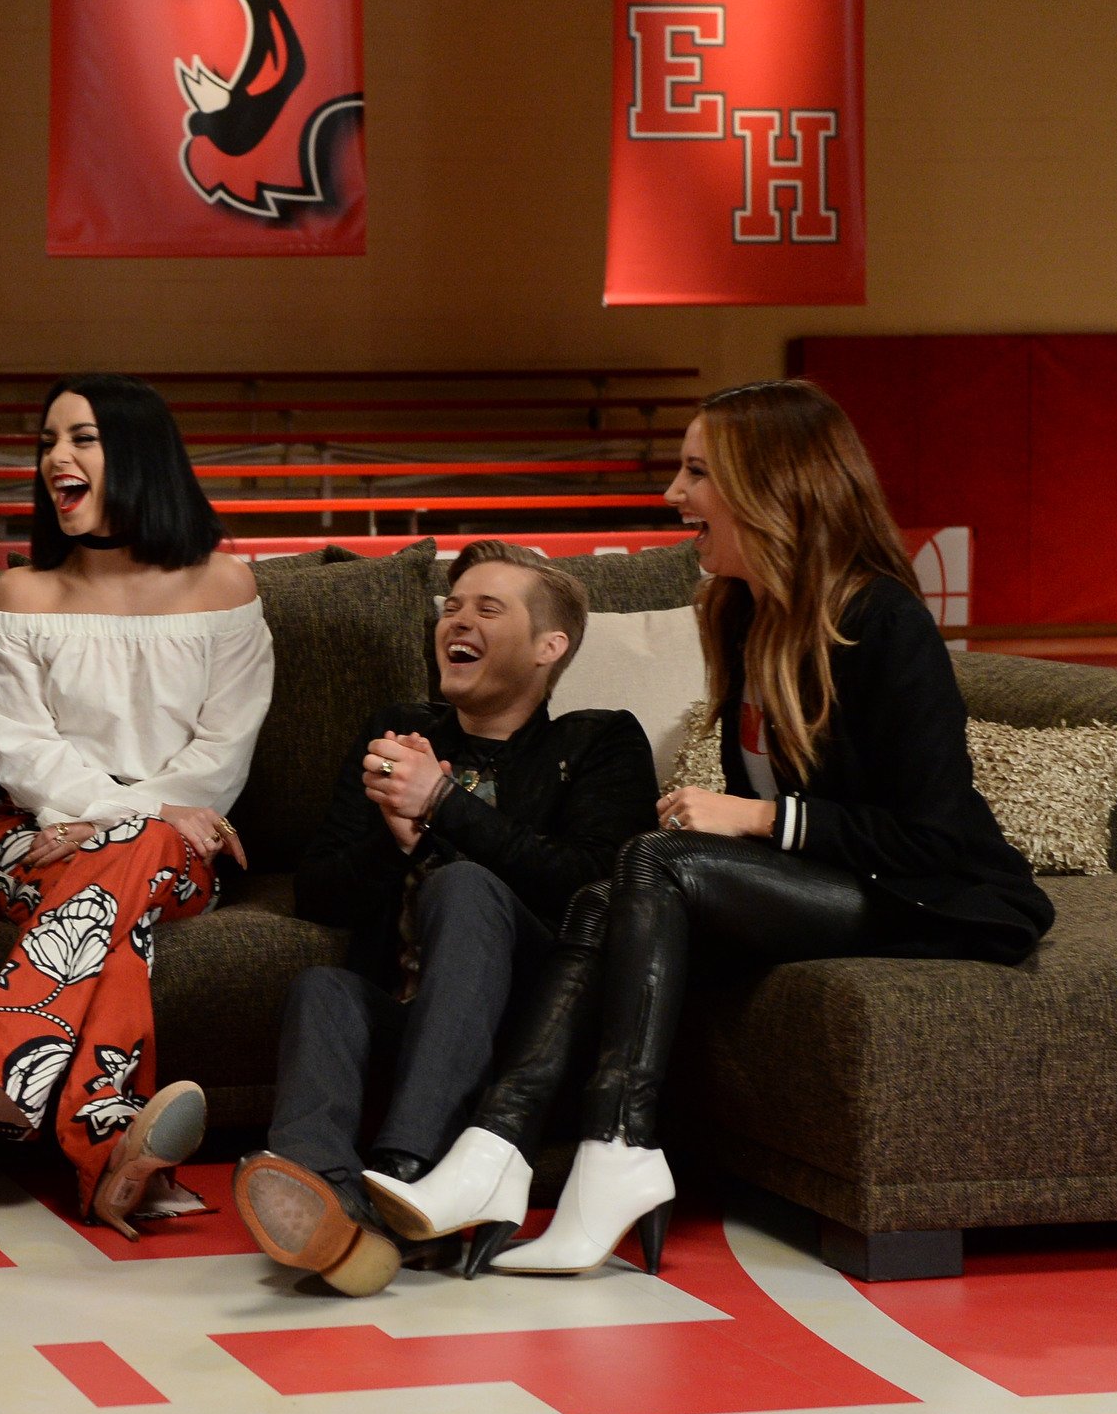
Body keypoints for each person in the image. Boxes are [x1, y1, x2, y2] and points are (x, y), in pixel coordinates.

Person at [372, 379, 1055, 1278]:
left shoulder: (883, 620)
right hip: (829, 883)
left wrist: (765, 817)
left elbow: (935, 837)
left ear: (771, 486)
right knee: (617, 877)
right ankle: (500, 1151)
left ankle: (602, 1147)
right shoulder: (742, 613)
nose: (673, 495)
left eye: (698, 472)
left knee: (653, 862)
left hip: (935, 896)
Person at [232, 541, 658, 1294]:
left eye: (487, 608)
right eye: (451, 606)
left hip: (525, 1034)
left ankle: (409, 1172)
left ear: (548, 647)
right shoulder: (398, 730)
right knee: (322, 992)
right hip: (412, 1015)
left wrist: (442, 805)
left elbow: (593, 884)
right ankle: (326, 1201)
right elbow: (316, 890)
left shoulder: (598, 740)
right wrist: (397, 844)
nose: (455, 619)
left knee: (465, 887)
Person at [0, 374, 274, 1236]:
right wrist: (110, 821)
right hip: (35, 835)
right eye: (46, 442)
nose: (55, 459)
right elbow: (22, 749)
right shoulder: (21, 595)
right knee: (115, 922)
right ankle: (113, 1149)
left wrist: (123, 824)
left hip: (183, 846)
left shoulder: (226, 589)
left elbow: (221, 755)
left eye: (80, 438)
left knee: (127, 864)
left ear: (140, 453)